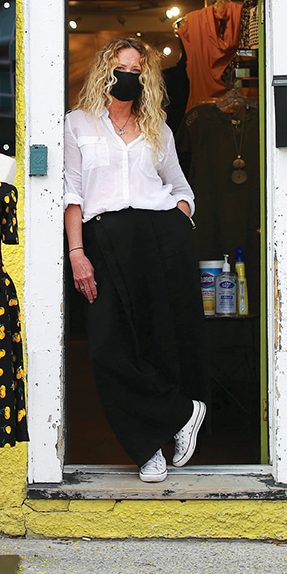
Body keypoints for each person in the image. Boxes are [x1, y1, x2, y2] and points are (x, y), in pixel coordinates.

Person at [64, 36, 209, 483]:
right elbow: (72, 195)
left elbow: (182, 189)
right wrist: (77, 253)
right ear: (104, 72)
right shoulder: (77, 124)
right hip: (103, 239)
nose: (128, 77)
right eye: (120, 69)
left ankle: (150, 451)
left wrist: (177, 221)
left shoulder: (157, 128)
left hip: (158, 237)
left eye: (136, 71)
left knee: (157, 343)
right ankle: (181, 414)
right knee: (109, 350)